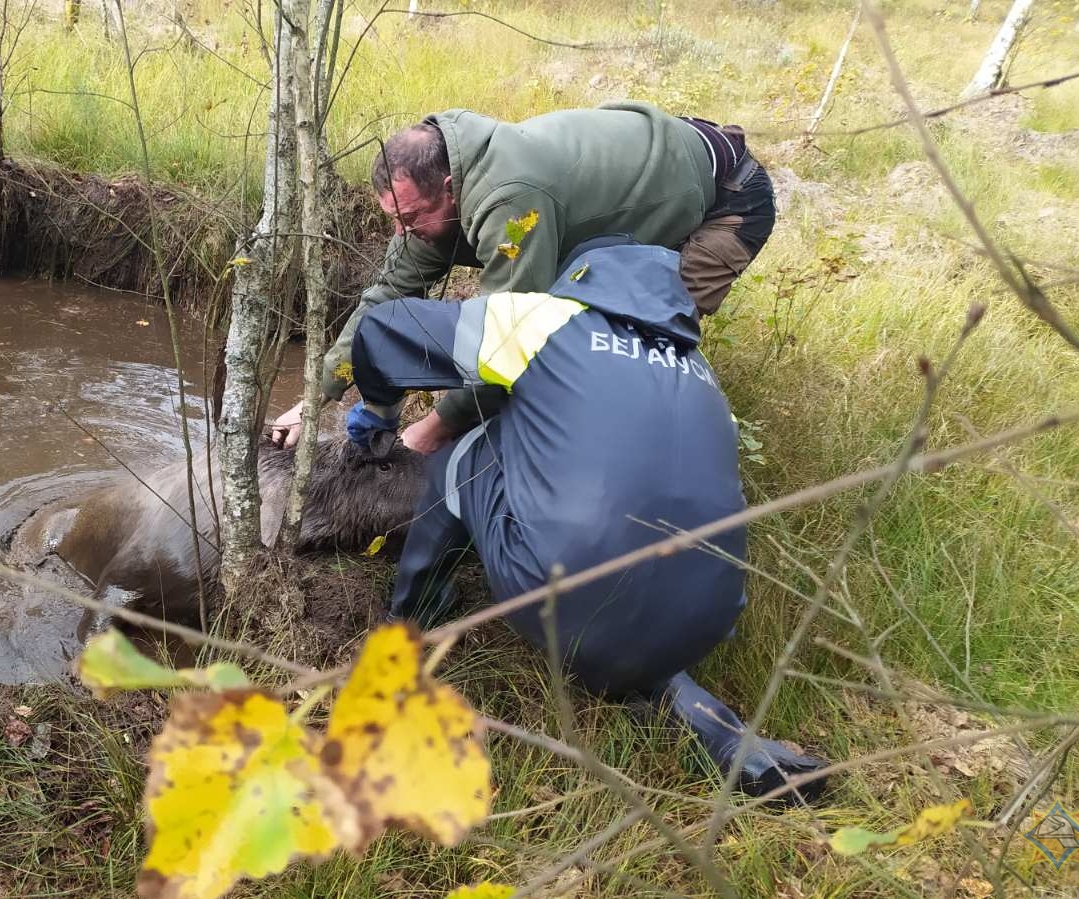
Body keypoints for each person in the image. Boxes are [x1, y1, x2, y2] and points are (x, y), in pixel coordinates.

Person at [342, 234, 827, 801]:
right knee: (631, 624)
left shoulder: (550, 318)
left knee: (469, 451)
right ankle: (735, 746)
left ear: (582, 276)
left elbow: (386, 327)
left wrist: (378, 407)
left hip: (571, 599)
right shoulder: (699, 372)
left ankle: (413, 615)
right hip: (702, 621)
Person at [270, 101, 776, 453]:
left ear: (450, 187)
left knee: (638, 338)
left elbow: (513, 341)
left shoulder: (512, 205)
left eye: (413, 218)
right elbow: (384, 298)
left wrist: (432, 428)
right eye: (395, 221)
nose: (404, 232)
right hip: (655, 158)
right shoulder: (436, 199)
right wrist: (315, 399)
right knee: (567, 311)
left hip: (727, 200)